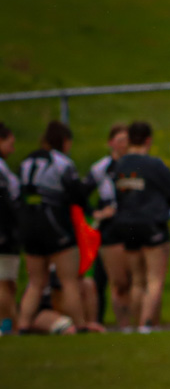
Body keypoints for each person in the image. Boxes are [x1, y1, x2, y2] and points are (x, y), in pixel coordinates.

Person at [16, 120, 95, 334]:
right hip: (54, 226)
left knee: (35, 281)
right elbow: (77, 194)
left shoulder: (25, 162)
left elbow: (17, 194)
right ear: (65, 142)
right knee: (69, 280)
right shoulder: (62, 163)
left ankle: (23, 325)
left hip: (28, 225)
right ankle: (79, 325)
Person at [108, 120, 170, 333]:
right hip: (152, 224)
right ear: (148, 140)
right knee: (154, 279)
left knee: (137, 281)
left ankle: (134, 325)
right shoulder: (153, 165)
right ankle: (147, 324)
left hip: (126, 225)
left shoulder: (120, 165)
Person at [89, 122, 129, 326]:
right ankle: (98, 321)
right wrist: (96, 212)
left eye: (127, 140)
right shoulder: (101, 167)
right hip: (109, 229)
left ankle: (130, 324)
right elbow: (80, 193)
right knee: (103, 278)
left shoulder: (136, 165)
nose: (124, 144)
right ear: (111, 143)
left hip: (131, 226)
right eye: (120, 140)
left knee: (129, 279)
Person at [0, 121, 19, 334]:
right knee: (4, 283)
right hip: (4, 233)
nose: (13, 149)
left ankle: (10, 325)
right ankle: (6, 324)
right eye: (10, 143)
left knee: (9, 283)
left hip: (7, 232)